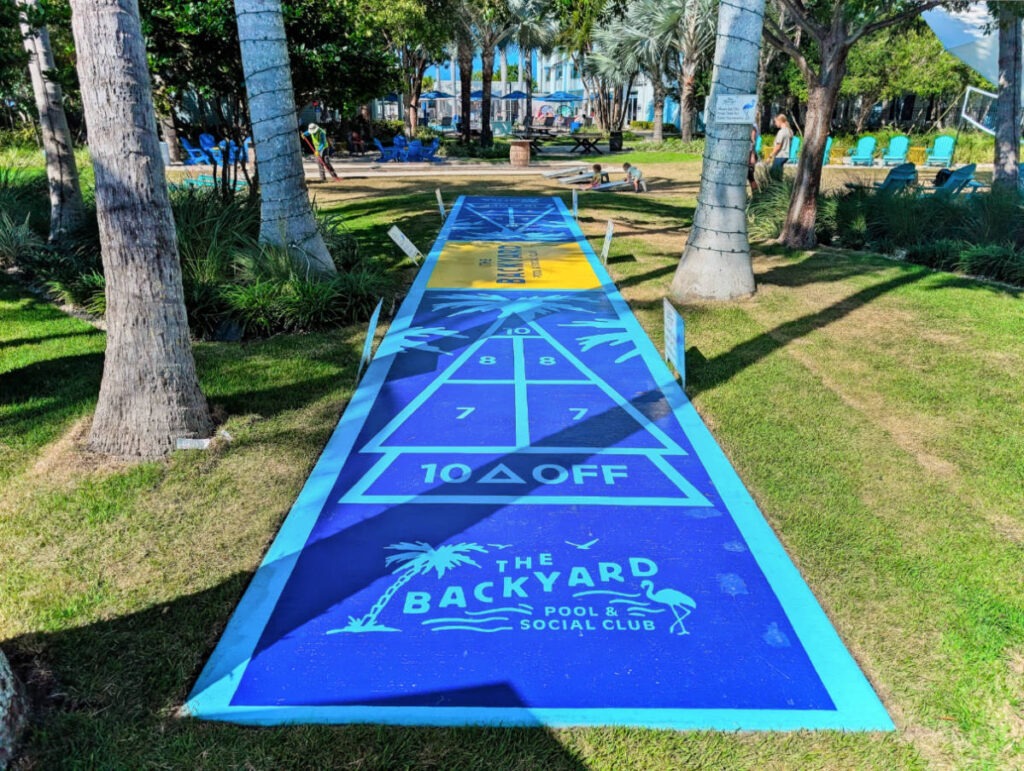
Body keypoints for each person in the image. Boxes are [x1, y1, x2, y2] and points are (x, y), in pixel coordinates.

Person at [769, 114, 792, 178]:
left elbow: (778, 146)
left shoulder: (781, 132)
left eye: (775, 122)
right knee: (779, 175)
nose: (775, 123)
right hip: (785, 155)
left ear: (780, 121)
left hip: (780, 155)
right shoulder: (789, 131)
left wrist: (771, 155)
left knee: (774, 175)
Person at [748, 123, 760, 192]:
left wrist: (752, 155)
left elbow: (753, 141)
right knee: (750, 176)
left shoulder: (753, 125)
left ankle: (756, 194)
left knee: (750, 176)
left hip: (749, 154)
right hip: (749, 153)